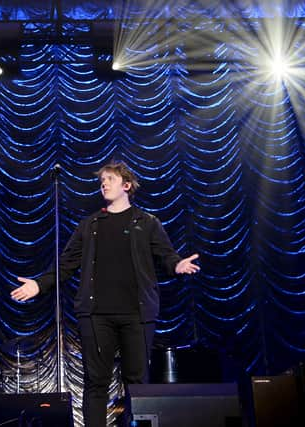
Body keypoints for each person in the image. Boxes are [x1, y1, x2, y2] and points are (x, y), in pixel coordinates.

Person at [10, 161, 200, 427]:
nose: (104, 183)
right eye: (102, 181)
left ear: (127, 185)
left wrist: (177, 264)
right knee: (96, 382)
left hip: (137, 313)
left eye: (110, 179)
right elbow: (66, 264)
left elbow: (166, 255)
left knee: (136, 381)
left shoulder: (146, 223)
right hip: (96, 316)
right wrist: (39, 285)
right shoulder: (90, 225)